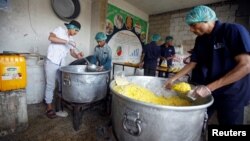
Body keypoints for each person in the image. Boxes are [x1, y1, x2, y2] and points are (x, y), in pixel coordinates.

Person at [165, 5, 250, 125]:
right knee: (198, 122)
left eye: (193, 25)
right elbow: (193, 62)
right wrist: (173, 79)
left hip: (232, 92)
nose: (191, 29)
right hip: (209, 90)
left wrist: (209, 87)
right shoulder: (200, 40)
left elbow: (246, 65)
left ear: (207, 20)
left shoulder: (232, 30)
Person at [44, 20, 83, 119]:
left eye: (78, 31)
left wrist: (78, 55)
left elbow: (72, 52)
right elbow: (51, 38)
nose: (76, 33)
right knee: (50, 85)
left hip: (62, 65)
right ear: (71, 27)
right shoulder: (60, 30)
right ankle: (49, 107)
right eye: (76, 30)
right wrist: (66, 41)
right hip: (52, 61)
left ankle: (59, 107)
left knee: (62, 85)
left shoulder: (72, 39)